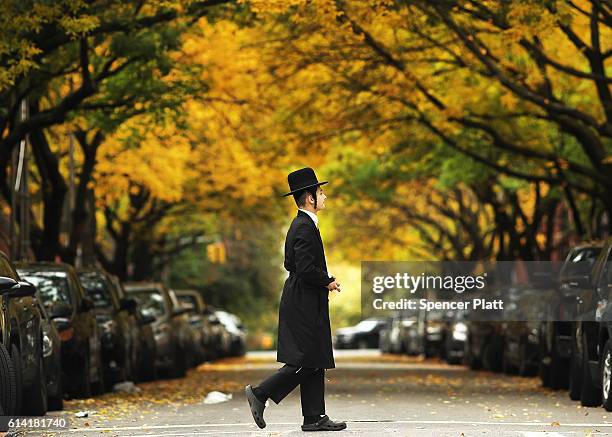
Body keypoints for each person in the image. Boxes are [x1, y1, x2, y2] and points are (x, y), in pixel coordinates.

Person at [245, 167, 347, 432]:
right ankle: (260, 393)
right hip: (303, 301)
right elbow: (302, 266)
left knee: (315, 357)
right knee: (307, 359)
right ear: (309, 197)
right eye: (320, 192)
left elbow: (292, 262)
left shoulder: (303, 225)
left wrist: (324, 279)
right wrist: (327, 280)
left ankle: (314, 417)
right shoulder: (303, 226)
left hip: (304, 297)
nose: (324, 196)